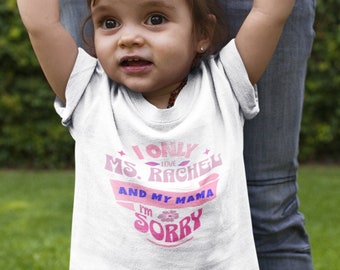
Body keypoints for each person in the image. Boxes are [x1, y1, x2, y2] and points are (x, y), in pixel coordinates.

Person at [17, 0, 295, 269]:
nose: (128, 38)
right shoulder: (88, 92)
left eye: (155, 19)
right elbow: (42, 25)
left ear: (202, 33)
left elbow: (269, 13)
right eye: (109, 22)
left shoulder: (225, 85)